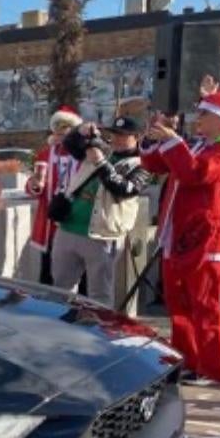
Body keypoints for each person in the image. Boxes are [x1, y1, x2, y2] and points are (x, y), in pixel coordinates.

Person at [142, 84, 220, 386]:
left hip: (207, 236)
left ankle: (212, 366)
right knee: (180, 305)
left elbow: (198, 174)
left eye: (204, 114)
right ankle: (188, 360)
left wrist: (174, 142)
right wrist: (155, 138)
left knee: (205, 305)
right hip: (178, 235)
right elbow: (154, 164)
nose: (197, 118)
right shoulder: (200, 144)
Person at [49, 117, 154, 307]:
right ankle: (61, 331)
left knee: (100, 295)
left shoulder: (143, 164)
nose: (116, 139)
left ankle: (98, 332)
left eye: (123, 135)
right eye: (114, 134)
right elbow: (70, 144)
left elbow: (124, 189)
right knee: (60, 290)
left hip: (102, 234)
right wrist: (81, 130)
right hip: (68, 227)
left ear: (137, 137)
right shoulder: (105, 149)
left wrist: (101, 162)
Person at [27, 106, 85, 284]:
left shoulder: (83, 154)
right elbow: (35, 187)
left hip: (78, 218)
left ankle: (82, 309)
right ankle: (47, 307)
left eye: (66, 129)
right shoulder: (45, 154)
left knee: (82, 271)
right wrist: (34, 185)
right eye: (58, 129)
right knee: (48, 268)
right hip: (51, 220)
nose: (61, 134)